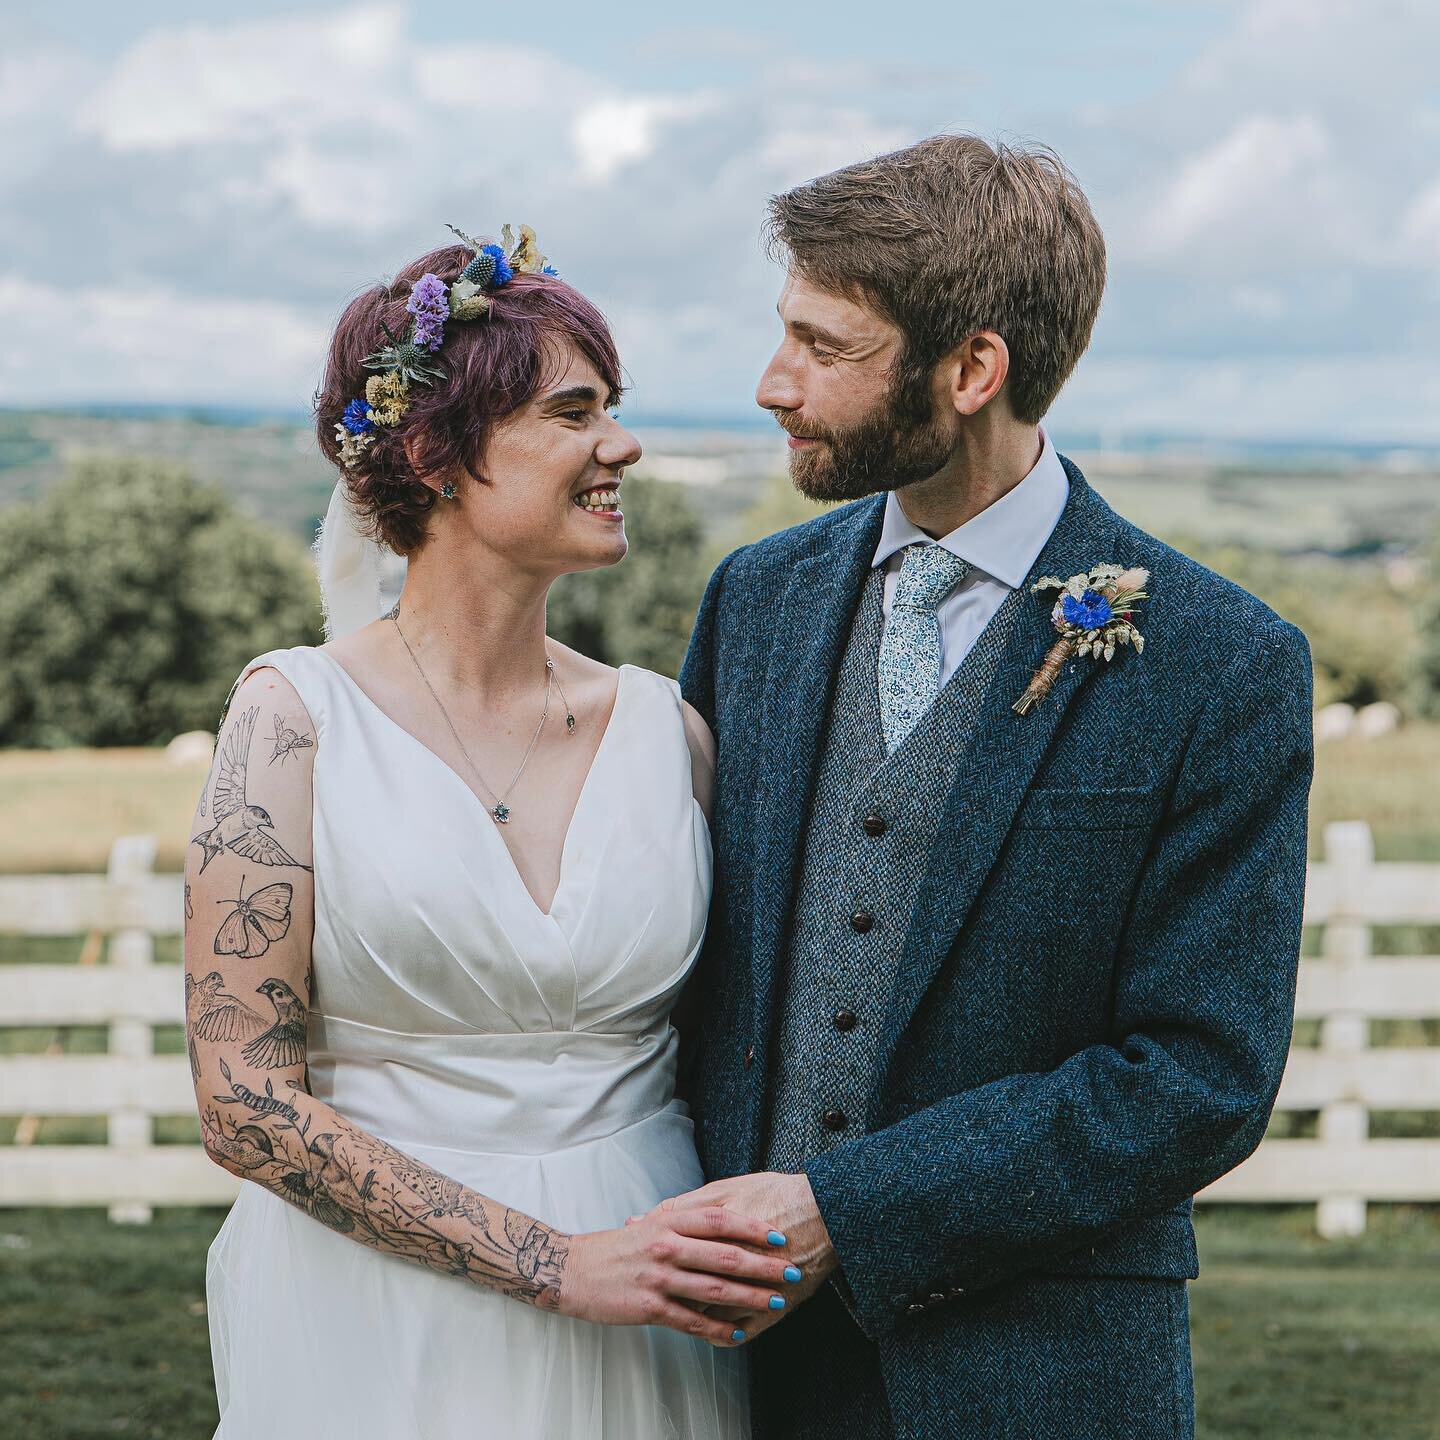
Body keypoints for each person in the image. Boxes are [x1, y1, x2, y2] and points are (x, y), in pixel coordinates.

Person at [670, 135, 1315, 1438]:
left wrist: (850, 1210)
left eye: (823, 346)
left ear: (971, 370)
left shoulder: (1221, 660)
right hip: (739, 1371)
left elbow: (1198, 1075)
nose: (771, 384)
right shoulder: (756, 600)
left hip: (1040, 1376)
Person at [185, 227, 782, 1438]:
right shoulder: (291, 721)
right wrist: (558, 1265)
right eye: (573, 411)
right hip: (378, 1311)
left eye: (612, 407)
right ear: (434, 452)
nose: (620, 444)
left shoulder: (669, 732)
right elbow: (243, 1097)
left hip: (660, 1296)